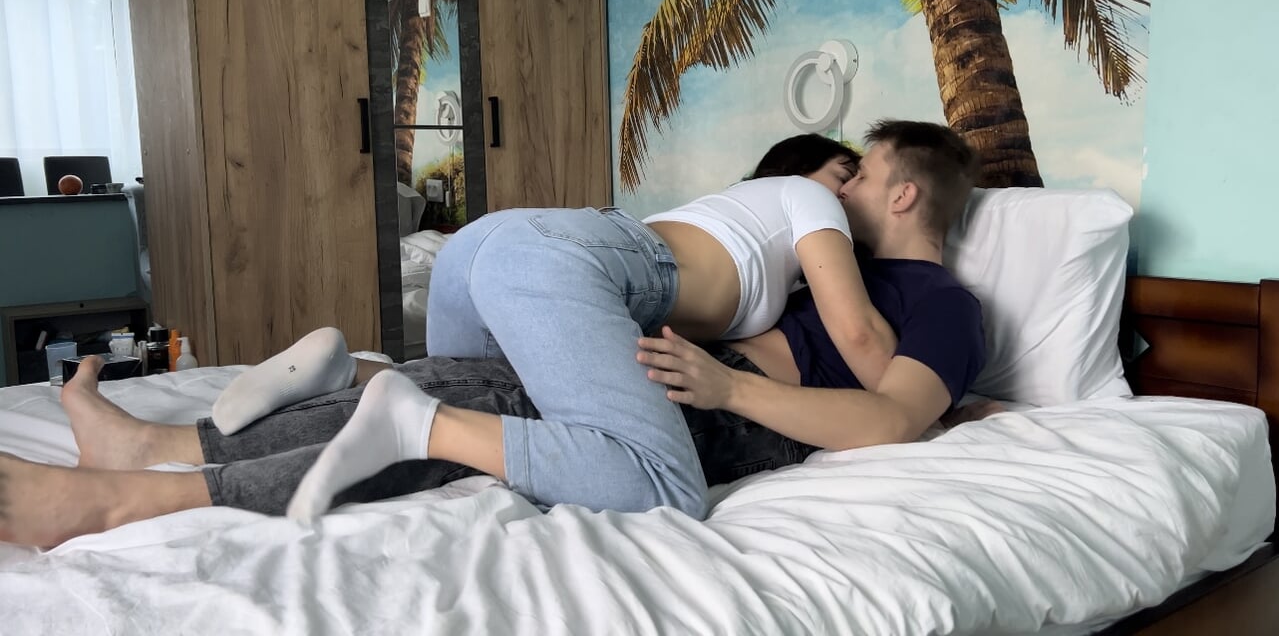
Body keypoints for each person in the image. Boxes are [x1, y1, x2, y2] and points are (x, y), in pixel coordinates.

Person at [0, 119, 989, 548]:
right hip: (663, 352)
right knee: (456, 392)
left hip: (722, 401)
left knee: (460, 409)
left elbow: (890, 417)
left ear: (904, 195)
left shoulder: (941, 302)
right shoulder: (822, 255)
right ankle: (149, 458)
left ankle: (133, 488)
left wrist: (735, 389)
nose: (839, 187)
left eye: (860, 174)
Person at [282, 129, 900, 524]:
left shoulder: (730, 222)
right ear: (803, 169)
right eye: (847, 173)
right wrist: (918, 413)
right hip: (558, 261)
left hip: (483, 247)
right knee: (667, 487)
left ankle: (349, 370)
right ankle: (418, 423)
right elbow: (859, 333)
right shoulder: (807, 197)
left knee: (482, 390)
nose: (850, 192)